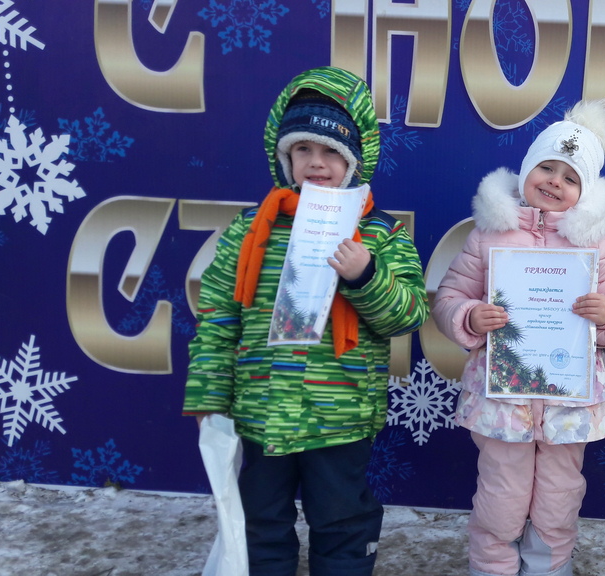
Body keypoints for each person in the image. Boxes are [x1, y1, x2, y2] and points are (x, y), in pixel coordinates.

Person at [183, 66, 429, 576]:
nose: (316, 162)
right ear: (284, 157)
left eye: (331, 151)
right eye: (302, 149)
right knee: (260, 522)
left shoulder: (379, 235)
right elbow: (218, 317)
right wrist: (209, 394)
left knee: (343, 523)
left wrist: (366, 276)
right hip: (260, 411)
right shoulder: (250, 229)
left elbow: (407, 314)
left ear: (354, 160)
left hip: (339, 416)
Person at [433, 100, 605, 576]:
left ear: (584, 192)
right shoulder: (489, 235)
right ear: (527, 168)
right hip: (503, 399)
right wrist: (470, 316)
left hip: (568, 402)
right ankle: (492, 567)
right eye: (546, 168)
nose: (554, 181)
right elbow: (449, 297)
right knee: (501, 496)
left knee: (558, 497)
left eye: (570, 178)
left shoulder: (594, 245)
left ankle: (549, 568)